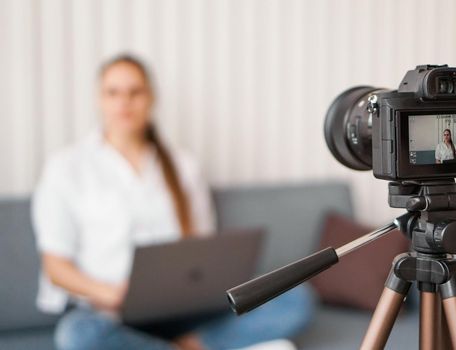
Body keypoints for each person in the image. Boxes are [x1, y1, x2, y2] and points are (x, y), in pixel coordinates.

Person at [32, 55, 313, 350]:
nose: (124, 102)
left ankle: (193, 344)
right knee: (77, 335)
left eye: (135, 92)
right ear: (99, 100)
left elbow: (200, 248)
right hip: (112, 314)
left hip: (184, 311)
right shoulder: (66, 167)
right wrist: (113, 294)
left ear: (150, 98)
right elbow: (55, 267)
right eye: (113, 92)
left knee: (296, 297)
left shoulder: (183, 165)